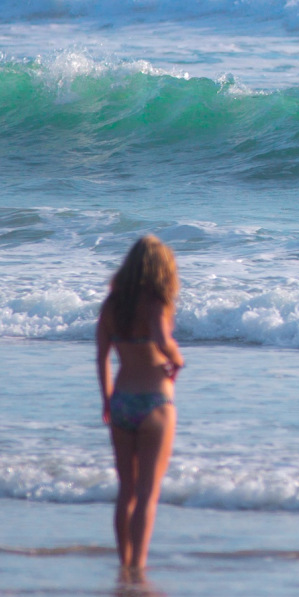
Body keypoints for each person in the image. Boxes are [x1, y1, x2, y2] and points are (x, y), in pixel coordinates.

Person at [96, 235, 185, 571]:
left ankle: (124, 563)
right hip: (155, 404)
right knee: (148, 494)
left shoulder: (112, 306)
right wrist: (178, 359)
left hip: (121, 403)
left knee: (126, 492)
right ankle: (138, 568)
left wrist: (107, 401)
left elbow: (102, 358)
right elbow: (163, 342)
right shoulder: (156, 304)